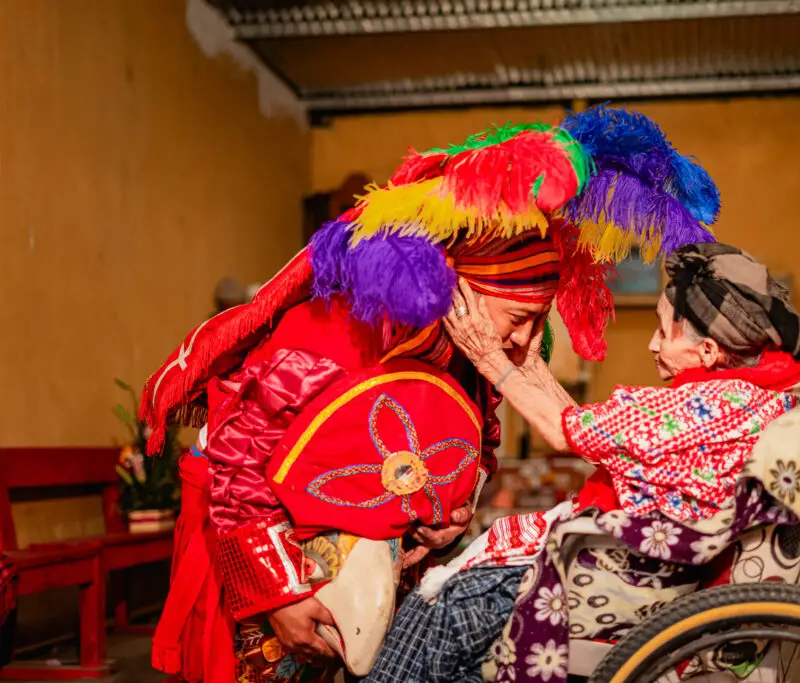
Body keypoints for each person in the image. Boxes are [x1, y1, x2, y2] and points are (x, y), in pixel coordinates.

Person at [140, 105, 721, 683]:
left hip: (354, 582)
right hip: (261, 560)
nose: (526, 339)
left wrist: (446, 520)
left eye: (537, 321)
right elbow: (236, 460)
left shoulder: (470, 360)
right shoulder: (343, 327)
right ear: (465, 291)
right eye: (518, 316)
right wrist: (279, 596)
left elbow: (472, 455)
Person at [365, 242, 800, 683]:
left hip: (626, 579)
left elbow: (565, 430)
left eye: (664, 332)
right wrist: (528, 366)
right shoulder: (753, 398)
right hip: (659, 570)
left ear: (707, 351)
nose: (652, 344)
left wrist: (489, 356)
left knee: (439, 607)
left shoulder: (706, 406)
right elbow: (587, 431)